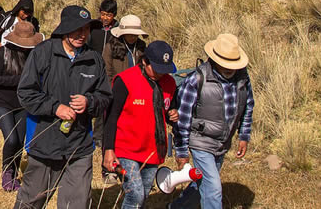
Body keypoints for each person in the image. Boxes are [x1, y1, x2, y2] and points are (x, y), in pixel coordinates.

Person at [14, 5, 112, 209]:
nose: (82, 34)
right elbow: (25, 92)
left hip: (80, 146)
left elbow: (105, 97)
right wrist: (55, 107)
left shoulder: (94, 59)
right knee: (30, 203)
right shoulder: (44, 52)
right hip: (44, 143)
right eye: (77, 29)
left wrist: (89, 102)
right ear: (64, 29)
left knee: (76, 205)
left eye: (86, 29)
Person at [170, 34, 254, 209]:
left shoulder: (243, 79)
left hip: (223, 141)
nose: (231, 69)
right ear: (215, 60)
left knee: (203, 181)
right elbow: (183, 118)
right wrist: (182, 151)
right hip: (200, 140)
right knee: (214, 189)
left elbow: (247, 106)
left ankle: (178, 207)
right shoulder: (197, 79)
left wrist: (244, 135)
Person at [103, 41, 179, 209]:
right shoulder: (125, 80)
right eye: (157, 68)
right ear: (145, 62)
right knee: (135, 194)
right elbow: (111, 116)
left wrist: (172, 113)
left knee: (143, 194)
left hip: (152, 149)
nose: (161, 74)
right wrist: (108, 150)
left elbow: (167, 108)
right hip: (126, 148)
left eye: (164, 70)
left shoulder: (170, 84)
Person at [0, 21, 43, 192]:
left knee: (19, 141)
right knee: (11, 139)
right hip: (3, 103)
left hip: (23, 104)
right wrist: (21, 80)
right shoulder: (2, 53)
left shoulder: (34, 55)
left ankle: (13, 173)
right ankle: (6, 171)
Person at [103, 14, 148, 82]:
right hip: (117, 87)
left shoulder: (141, 46)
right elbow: (107, 72)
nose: (133, 37)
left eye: (135, 35)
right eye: (130, 34)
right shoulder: (111, 47)